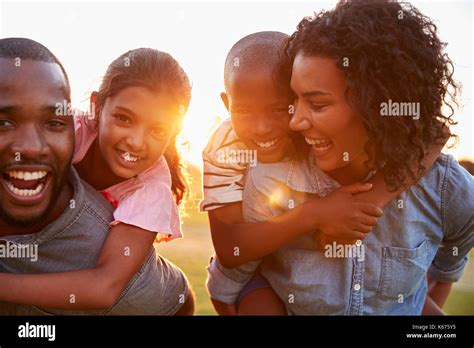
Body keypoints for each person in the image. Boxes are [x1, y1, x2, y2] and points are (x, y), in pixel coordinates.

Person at [234, 0, 473, 315]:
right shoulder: (272, 178)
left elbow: (450, 261)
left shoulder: (446, 189)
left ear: (379, 105)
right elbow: (234, 278)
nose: (295, 121)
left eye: (317, 104)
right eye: (295, 99)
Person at [0, 38, 193, 315]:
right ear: (97, 107)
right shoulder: (70, 132)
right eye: (124, 119)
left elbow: (104, 288)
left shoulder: (151, 188)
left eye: (158, 130)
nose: (137, 141)